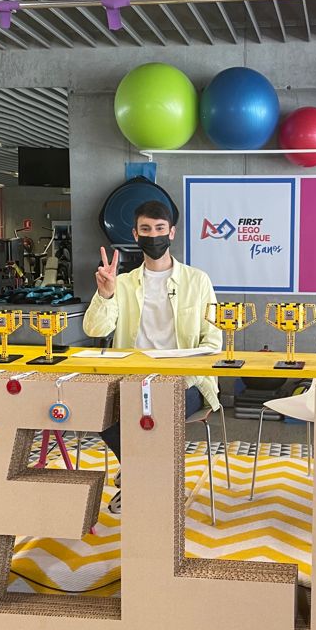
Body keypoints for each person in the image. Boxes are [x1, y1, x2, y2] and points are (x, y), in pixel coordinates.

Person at [83, 200, 222, 513]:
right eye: (146, 229)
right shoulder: (123, 283)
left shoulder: (197, 281)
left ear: (171, 232)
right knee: (96, 406)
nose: (154, 235)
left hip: (187, 382)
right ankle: (140, 472)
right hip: (130, 380)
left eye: (160, 229)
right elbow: (95, 327)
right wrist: (105, 294)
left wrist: (181, 365)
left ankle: (139, 478)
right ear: (135, 234)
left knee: (153, 409)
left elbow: (213, 340)